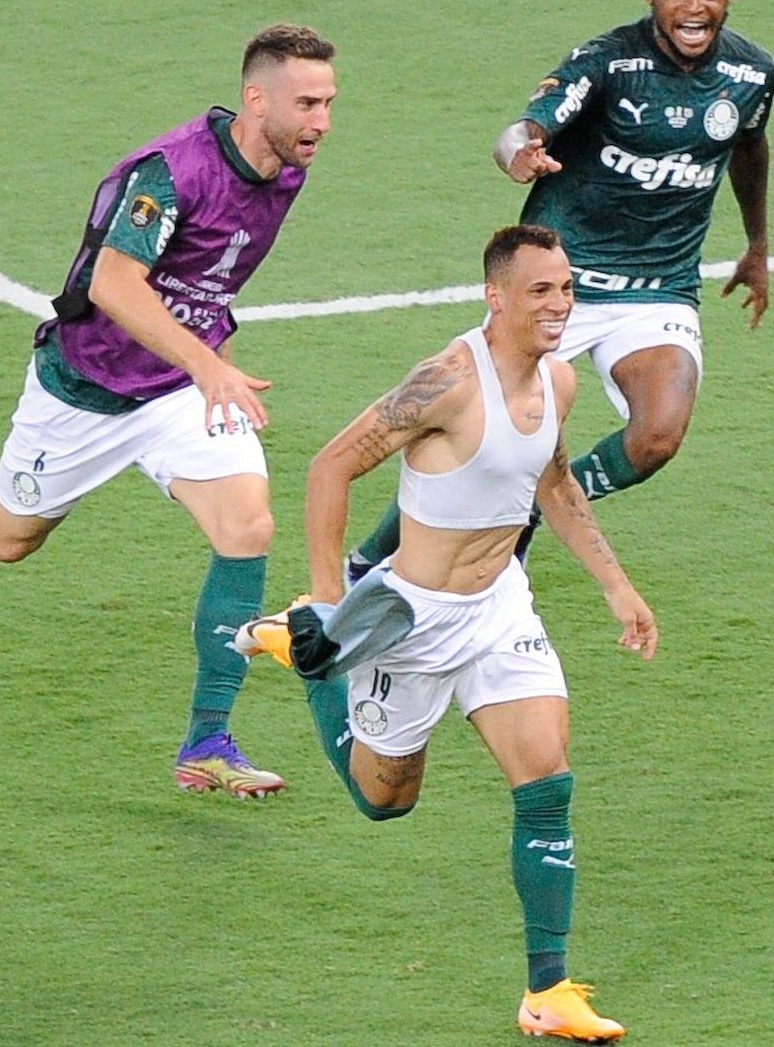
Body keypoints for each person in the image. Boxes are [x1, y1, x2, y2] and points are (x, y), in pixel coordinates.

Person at [0, 24, 338, 799]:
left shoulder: (287, 167)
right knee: (9, 537)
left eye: (329, 103)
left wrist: (201, 360)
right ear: (254, 98)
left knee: (248, 527)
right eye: (306, 103)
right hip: (86, 389)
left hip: (177, 391)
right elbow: (113, 285)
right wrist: (206, 361)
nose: (322, 121)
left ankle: (206, 741)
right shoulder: (173, 173)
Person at [236, 227, 657, 1041]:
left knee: (548, 780)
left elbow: (554, 481)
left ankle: (549, 991)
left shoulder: (560, 384)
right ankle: (311, 659)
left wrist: (616, 584)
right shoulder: (447, 383)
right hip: (408, 623)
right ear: (495, 297)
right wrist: (328, 607)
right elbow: (331, 466)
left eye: (566, 288)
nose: (559, 304)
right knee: (385, 801)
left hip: (501, 609)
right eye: (540, 291)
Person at [346, 0, 774, 580]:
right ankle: (369, 561)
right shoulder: (606, 62)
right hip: (558, 282)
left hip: (661, 286)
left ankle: (531, 507)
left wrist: (757, 245)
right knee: (478, 433)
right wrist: (517, 152)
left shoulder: (754, 72)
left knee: (657, 437)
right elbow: (527, 127)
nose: (695, 7)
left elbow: (749, 144)